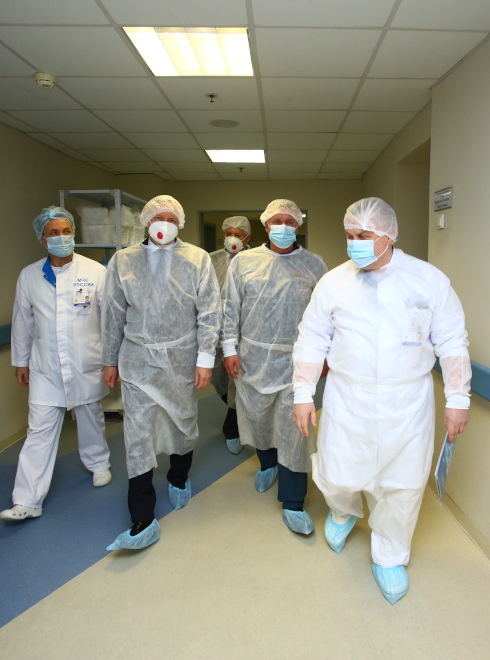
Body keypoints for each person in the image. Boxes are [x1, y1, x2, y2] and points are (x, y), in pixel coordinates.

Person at [292, 197, 472, 604]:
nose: (354, 243)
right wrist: (303, 394)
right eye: (350, 235)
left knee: (402, 485)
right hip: (347, 396)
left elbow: (452, 341)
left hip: (407, 401)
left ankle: (390, 556)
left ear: (389, 235)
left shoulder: (428, 281)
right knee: (338, 471)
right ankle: (343, 510)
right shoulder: (334, 283)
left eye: (364, 235)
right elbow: (312, 339)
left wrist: (458, 398)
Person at [102, 195, 220, 552]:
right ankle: (143, 517)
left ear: (179, 223)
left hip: (182, 357)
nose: (164, 224)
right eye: (158, 217)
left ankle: (178, 476)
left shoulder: (197, 258)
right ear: (146, 221)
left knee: (182, 422)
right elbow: (112, 313)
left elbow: (210, 312)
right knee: (137, 435)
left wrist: (205, 360)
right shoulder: (123, 260)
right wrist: (110, 360)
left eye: (171, 218)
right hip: (137, 359)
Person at [0, 206, 112, 522]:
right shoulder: (29, 275)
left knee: (90, 416)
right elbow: (22, 321)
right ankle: (27, 500)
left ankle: (98, 463)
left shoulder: (95, 272)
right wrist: (20, 361)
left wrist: (111, 360)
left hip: (85, 360)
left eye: (66, 231)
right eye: (53, 233)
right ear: (42, 239)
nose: (61, 237)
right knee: (38, 430)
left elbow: (109, 320)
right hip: (45, 367)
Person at [223, 199, 327, 535]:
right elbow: (230, 309)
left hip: (298, 360)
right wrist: (229, 349)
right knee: (258, 417)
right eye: (276, 221)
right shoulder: (244, 263)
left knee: (295, 429)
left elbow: (328, 315)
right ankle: (268, 462)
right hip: (252, 357)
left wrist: (326, 355)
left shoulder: (314, 264)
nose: (283, 226)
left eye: (290, 221)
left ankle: (293, 500)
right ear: (266, 225)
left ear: (298, 226)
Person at [208, 215, 252, 455]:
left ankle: (233, 428)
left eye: (238, 235)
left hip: (243, 334)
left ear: (247, 238)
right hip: (215, 332)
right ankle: (236, 412)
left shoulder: (255, 261)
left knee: (238, 380)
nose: (233, 239)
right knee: (219, 379)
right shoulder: (210, 260)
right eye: (229, 234)